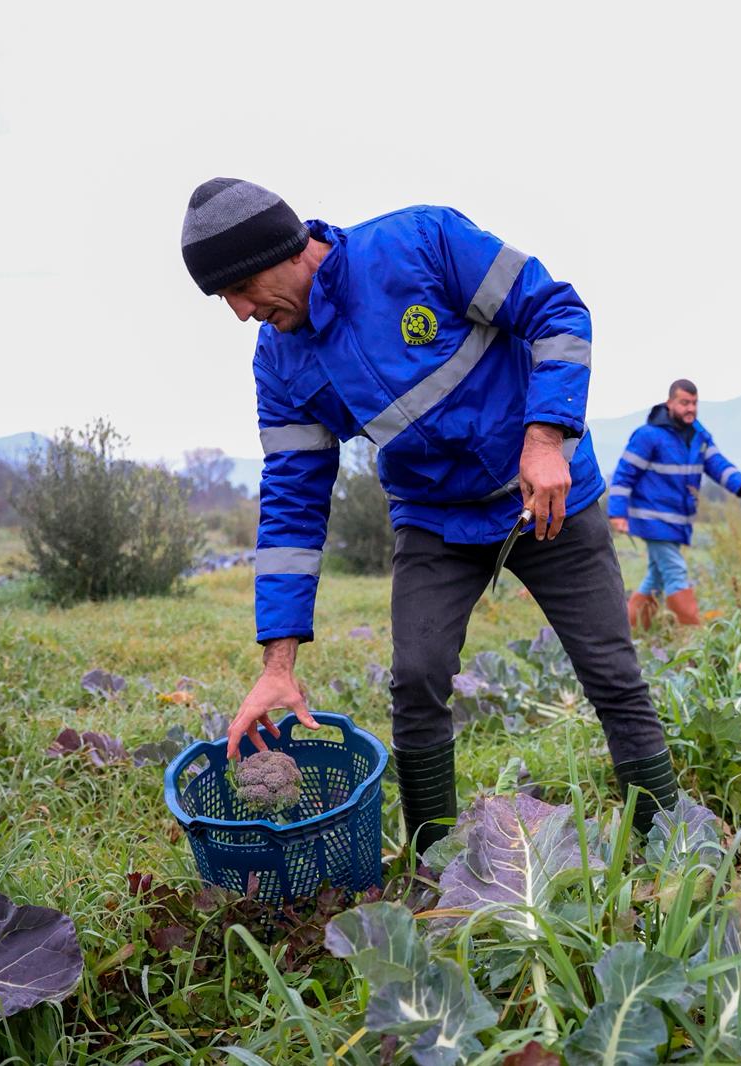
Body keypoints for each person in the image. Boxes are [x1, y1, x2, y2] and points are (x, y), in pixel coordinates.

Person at [179, 178, 677, 853]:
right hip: (436, 520)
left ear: (287, 249)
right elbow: (292, 503)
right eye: (224, 301)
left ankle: (670, 847)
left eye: (241, 288)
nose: (240, 313)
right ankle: (433, 865)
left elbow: (558, 312)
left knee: (612, 673)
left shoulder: (423, 243)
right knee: (415, 681)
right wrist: (278, 659)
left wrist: (547, 436)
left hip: (545, 497)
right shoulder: (281, 361)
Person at [607, 379, 741, 627]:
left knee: (657, 576)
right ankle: (693, 635)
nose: (690, 408)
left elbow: (718, 464)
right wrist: (617, 513)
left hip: (679, 520)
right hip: (654, 518)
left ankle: (632, 631)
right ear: (670, 403)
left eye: (694, 403)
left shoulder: (700, 437)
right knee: (675, 571)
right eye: (684, 403)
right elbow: (624, 474)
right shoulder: (648, 436)